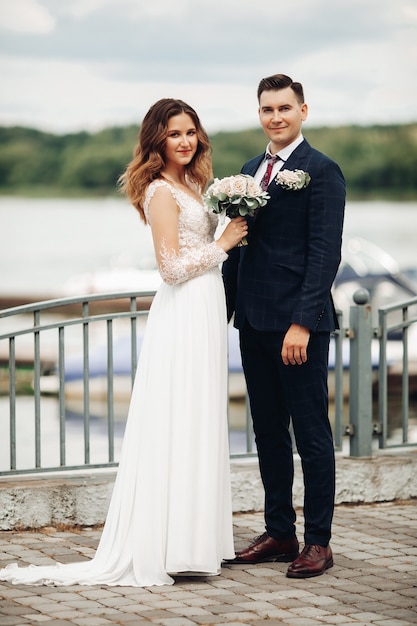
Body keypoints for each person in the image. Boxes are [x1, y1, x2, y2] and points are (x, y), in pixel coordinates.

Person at [0, 98, 248, 587]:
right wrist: (223, 244)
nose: (185, 141)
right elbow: (170, 269)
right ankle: (165, 542)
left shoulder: (195, 185)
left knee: (199, 415)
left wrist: (234, 217)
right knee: (177, 415)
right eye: (175, 133)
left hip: (206, 308)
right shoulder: (159, 191)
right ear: (157, 139)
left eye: (191, 132)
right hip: (182, 310)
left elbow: (198, 247)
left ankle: (193, 542)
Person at [222, 74, 345, 578]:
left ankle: (318, 541)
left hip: (298, 327)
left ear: (303, 111)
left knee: (311, 433)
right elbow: (241, 243)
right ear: (259, 114)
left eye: (285, 108)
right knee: (268, 431)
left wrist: (304, 323)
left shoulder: (321, 171)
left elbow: (324, 254)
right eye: (267, 109)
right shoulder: (251, 170)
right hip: (253, 321)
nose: (276, 117)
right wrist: (224, 311)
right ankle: (278, 531)